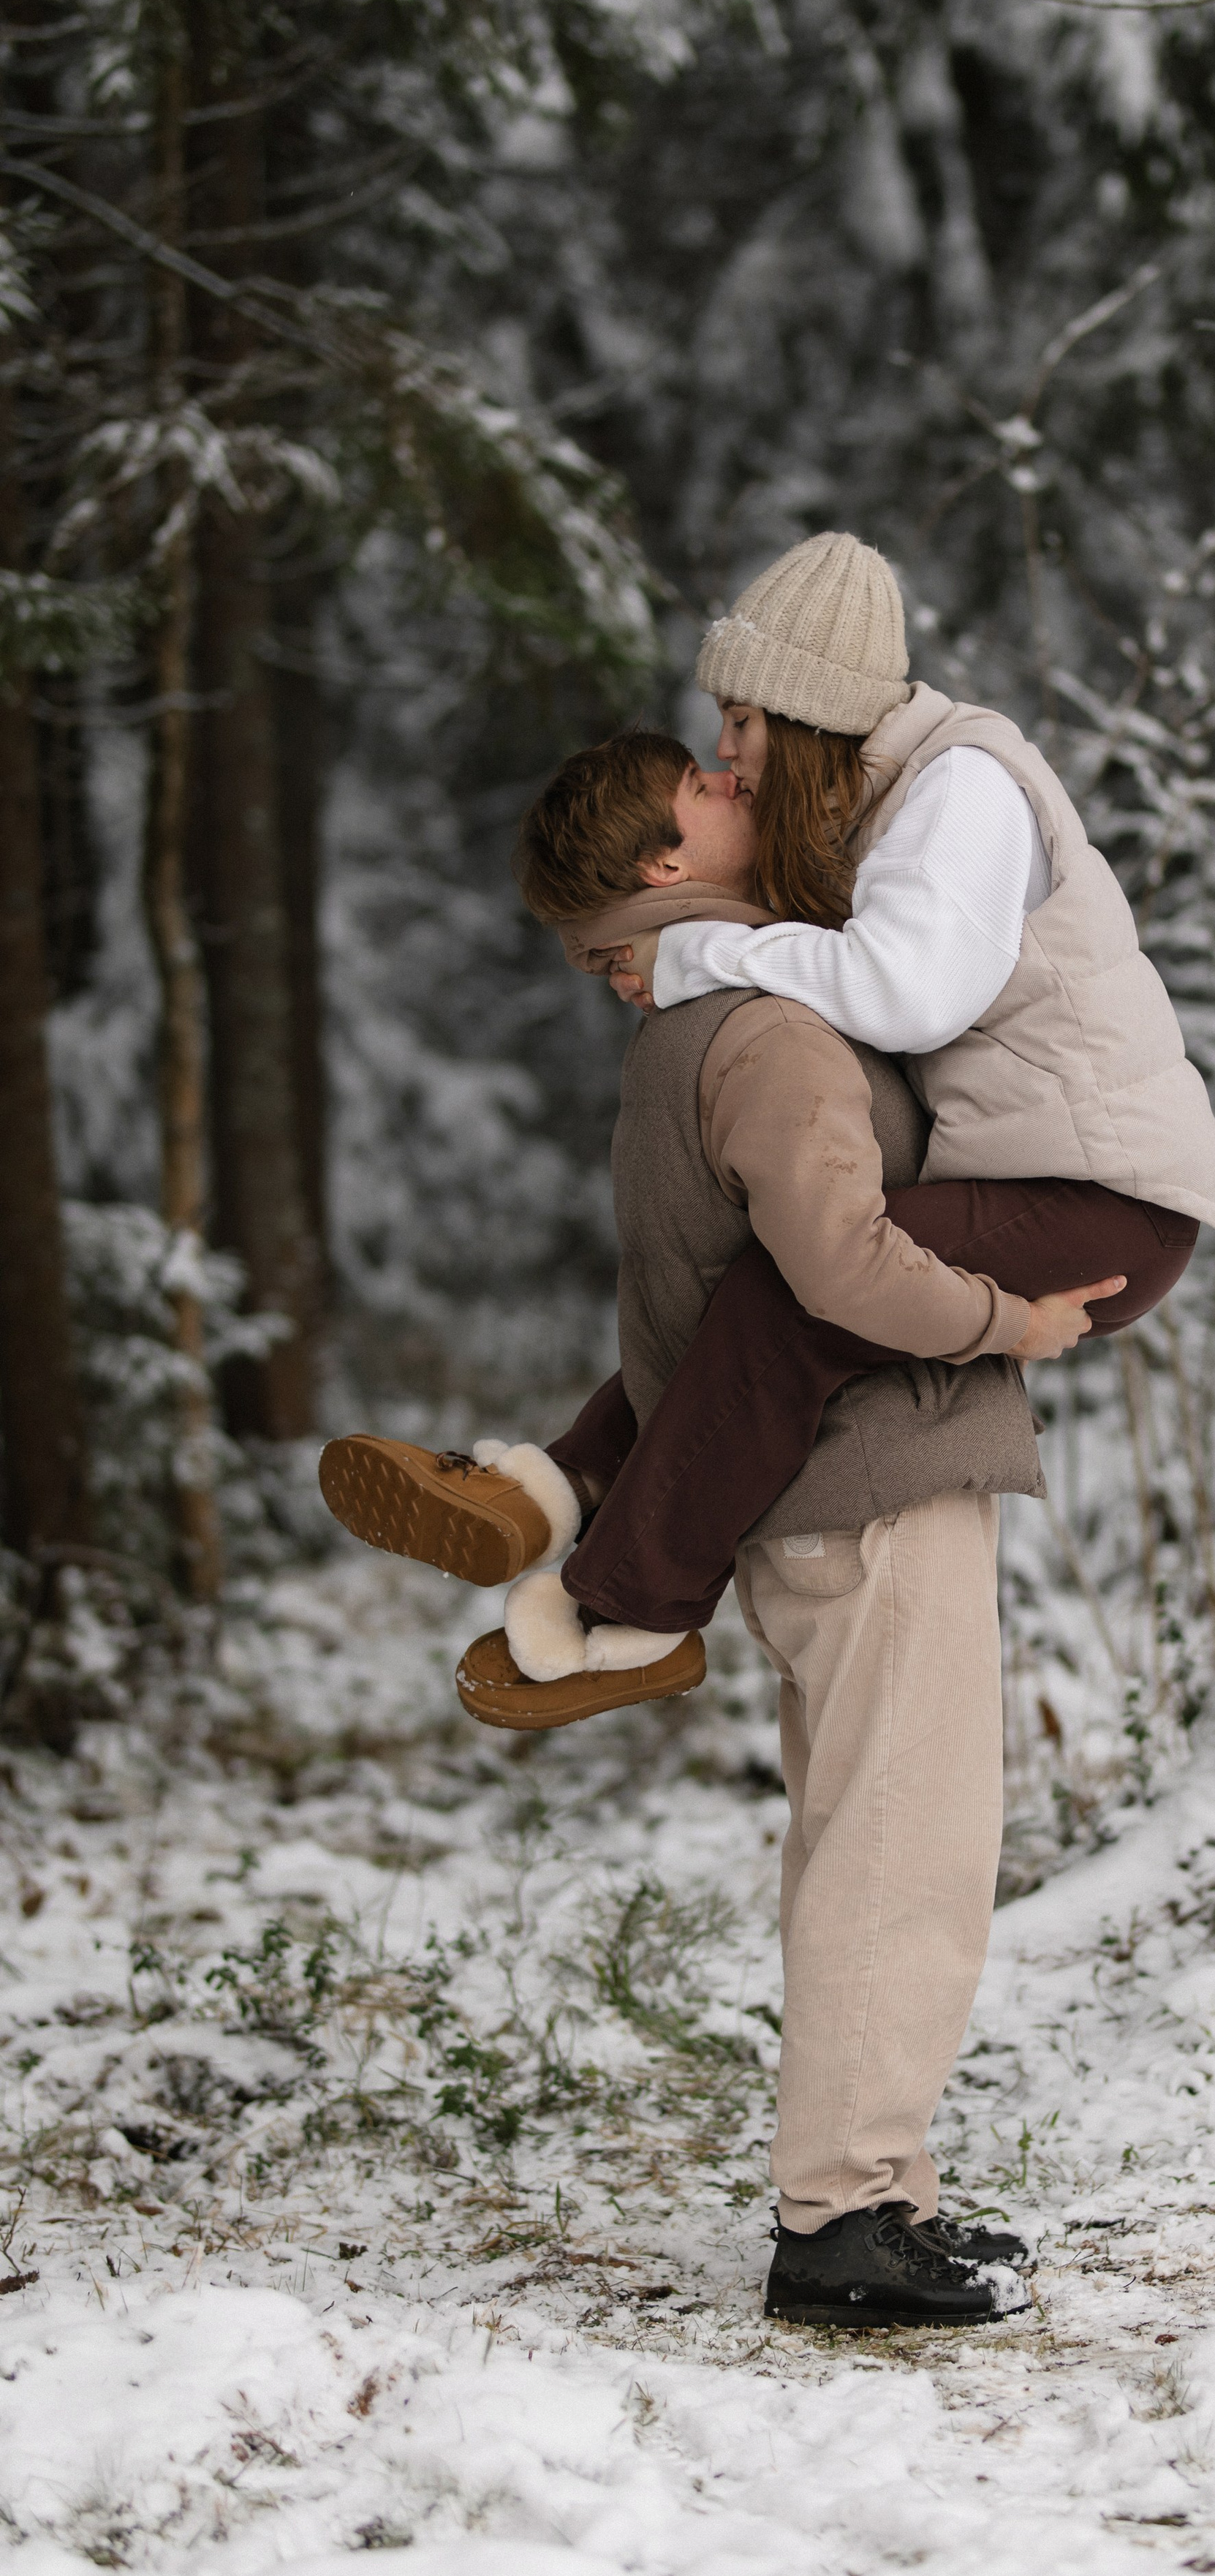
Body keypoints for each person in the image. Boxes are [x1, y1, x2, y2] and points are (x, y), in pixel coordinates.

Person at [330, 731, 1080, 2326]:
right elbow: (836, 1268)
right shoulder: (766, 1028)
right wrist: (1007, 1321)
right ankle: (850, 2222)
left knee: (855, 1838)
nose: (742, 784)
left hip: (809, 1489)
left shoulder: (694, 1023)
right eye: (710, 787)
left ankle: (854, 2191)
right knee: (906, 1847)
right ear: (670, 867)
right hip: (868, 1477)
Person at [322, 532, 1215, 1683]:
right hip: (1034, 1178)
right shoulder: (884, 805)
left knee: (792, 1296)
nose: (726, 753)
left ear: (804, 711)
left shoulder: (962, 792)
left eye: (741, 724)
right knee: (760, 1293)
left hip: (1107, 1201)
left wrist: (704, 951)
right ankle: (549, 1489)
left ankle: (633, 1603)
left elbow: (904, 995)